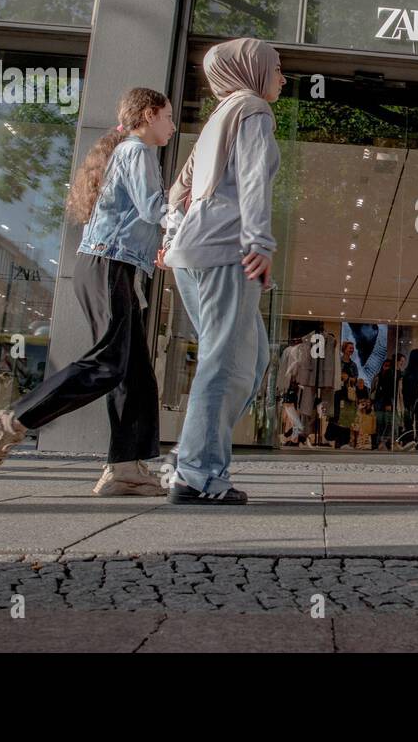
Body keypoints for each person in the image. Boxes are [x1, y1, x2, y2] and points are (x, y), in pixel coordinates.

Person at [0, 88, 176, 494]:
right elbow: (155, 208)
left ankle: (125, 468)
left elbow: (135, 220)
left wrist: (157, 251)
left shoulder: (132, 152)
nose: (171, 125)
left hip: (113, 266)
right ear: (150, 115)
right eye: (168, 117)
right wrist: (198, 219)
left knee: (135, 374)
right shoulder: (137, 150)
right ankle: (6, 424)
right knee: (108, 364)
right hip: (107, 266)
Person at [163, 37, 284, 504]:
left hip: (194, 254)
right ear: (251, 69)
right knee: (224, 364)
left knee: (248, 362)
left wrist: (171, 239)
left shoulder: (219, 116)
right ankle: (197, 476)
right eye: (276, 68)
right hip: (225, 251)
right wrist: (258, 242)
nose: (282, 77)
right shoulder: (252, 108)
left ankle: (194, 456)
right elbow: (254, 178)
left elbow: (179, 189)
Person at [373, 357, 396, 449]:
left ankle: (381, 443)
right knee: (383, 424)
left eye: (389, 366)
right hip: (381, 403)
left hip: (380, 403)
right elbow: (384, 391)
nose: (386, 367)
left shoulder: (383, 376)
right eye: (385, 365)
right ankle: (381, 443)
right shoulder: (381, 376)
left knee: (383, 424)